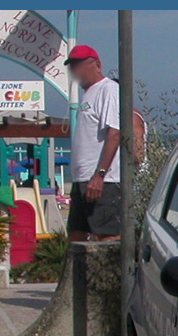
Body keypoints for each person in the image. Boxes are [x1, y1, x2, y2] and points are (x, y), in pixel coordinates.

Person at [65, 44, 121, 241]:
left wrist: (100, 175)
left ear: (96, 64)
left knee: (106, 234)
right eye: (72, 66)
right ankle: (80, 272)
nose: (75, 71)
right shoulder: (88, 94)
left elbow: (115, 133)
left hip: (102, 180)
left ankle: (111, 272)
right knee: (76, 234)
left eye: (79, 65)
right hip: (82, 178)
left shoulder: (109, 89)